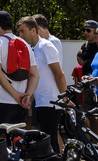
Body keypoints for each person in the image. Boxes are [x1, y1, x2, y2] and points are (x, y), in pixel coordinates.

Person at [18, 16, 65, 150]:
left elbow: (59, 73)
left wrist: (64, 97)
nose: (21, 36)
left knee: (50, 142)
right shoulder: (34, 48)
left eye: (23, 31)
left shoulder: (46, 45)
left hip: (50, 101)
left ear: (34, 30)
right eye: (19, 32)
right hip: (41, 101)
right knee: (46, 141)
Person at [0, 11, 38, 131]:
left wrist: (16, 95)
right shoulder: (25, 44)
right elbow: (35, 75)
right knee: (16, 142)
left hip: (0, 101)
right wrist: (27, 96)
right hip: (20, 105)